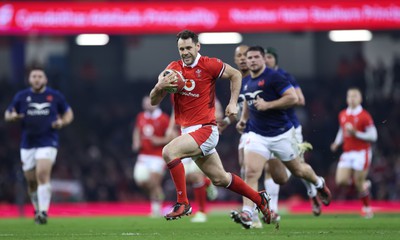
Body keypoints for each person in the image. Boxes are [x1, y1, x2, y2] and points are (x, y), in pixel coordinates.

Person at [149, 29, 272, 224]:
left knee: (169, 152)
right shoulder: (173, 70)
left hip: (205, 129)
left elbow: (236, 75)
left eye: (189, 47)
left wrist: (233, 102)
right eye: (181, 48)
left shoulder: (209, 64)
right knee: (220, 179)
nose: (185, 52)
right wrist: (159, 87)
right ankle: (260, 200)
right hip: (188, 131)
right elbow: (154, 100)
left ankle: (183, 203)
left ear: (197, 46)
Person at [233, 46, 331, 229]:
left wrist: (268, 105)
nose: (252, 60)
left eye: (256, 57)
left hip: (281, 135)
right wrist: (244, 120)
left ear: (263, 59)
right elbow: (248, 101)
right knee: (251, 172)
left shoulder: (274, 77)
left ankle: (318, 183)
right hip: (256, 135)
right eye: (249, 58)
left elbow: (293, 98)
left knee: (295, 172)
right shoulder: (246, 81)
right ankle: (248, 211)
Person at [4, 67, 74, 224]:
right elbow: (8, 114)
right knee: (31, 181)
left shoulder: (54, 96)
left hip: (48, 141)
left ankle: (43, 212)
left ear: (45, 79)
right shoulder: (21, 97)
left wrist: (62, 122)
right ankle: (37, 209)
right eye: (34, 76)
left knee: (42, 174)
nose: (36, 79)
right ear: (29, 80)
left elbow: (69, 113)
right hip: (28, 143)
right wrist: (13, 117)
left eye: (39, 76)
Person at [263, 47, 321, 218]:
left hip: (291, 129)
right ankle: (273, 209)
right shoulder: (258, 78)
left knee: (298, 168)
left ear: (275, 60)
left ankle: (313, 193)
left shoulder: (284, 77)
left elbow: (300, 99)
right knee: (269, 166)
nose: (265, 60)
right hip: (270, 130)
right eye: (263, 57)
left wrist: (274, 103)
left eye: (269, 57)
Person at [330, 87, 377, 218]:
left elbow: (373, 136)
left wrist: (356, 133)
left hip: (362, 152)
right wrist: (336, 142)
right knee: (341, 181)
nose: (352, 98)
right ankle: (364, 184)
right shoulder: (343, 114)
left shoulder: (365, 116)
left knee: (358, 182)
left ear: (360, 99)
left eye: (355, 96)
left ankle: (367, 209)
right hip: (348, 152)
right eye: (349, 96)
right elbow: (341, 130)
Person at [132, 95, 170, 217]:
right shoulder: (141, 116)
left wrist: (159, 140)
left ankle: (156, 209)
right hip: (143, 155)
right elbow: (137, 130)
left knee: (154, 181)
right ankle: (159, 195)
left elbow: (172, 136)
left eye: (149, 103)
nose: (147, 105)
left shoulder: (164, 118)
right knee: (140, 181)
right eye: (145, 103)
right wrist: (136, 142)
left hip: (158, 156)